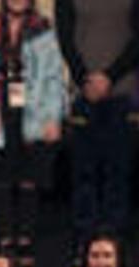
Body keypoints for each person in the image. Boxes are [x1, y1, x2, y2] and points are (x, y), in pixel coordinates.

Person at [0, 0, 66, 265]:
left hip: (33, 113)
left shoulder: (43, 28)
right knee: (1, 178)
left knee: (29, 177)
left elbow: (54, 77)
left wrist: (53, 117)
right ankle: (3, 240)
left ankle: (25, 240)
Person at [56, 0, 139, 246]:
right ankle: (85, 239)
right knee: (84, 173)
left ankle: (114, 240)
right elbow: (65, 39)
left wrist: (110, 77)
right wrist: (85, 80)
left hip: (122, 92)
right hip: (83, 94)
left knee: (118, 171)